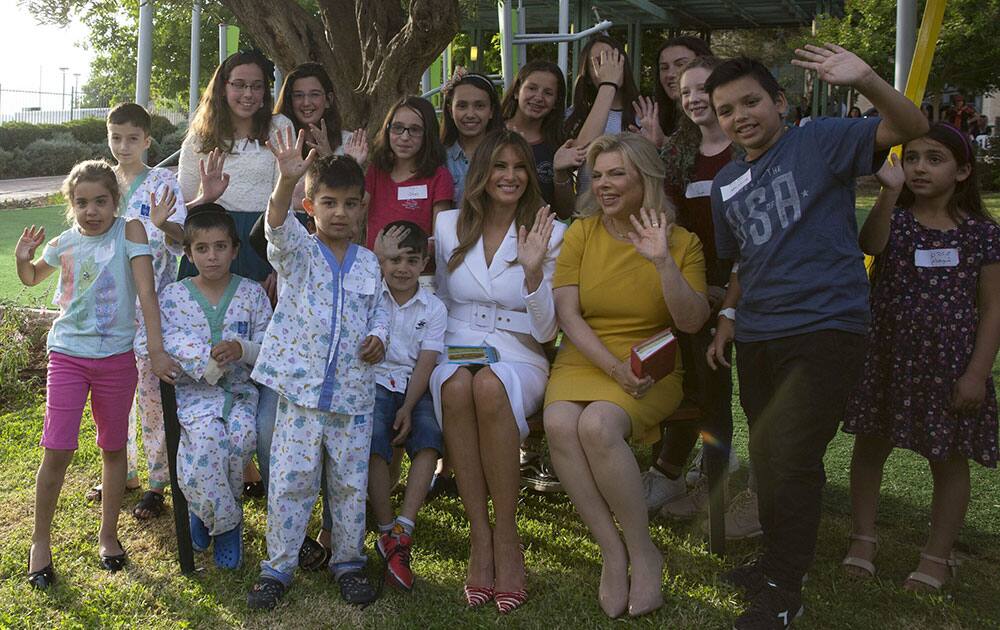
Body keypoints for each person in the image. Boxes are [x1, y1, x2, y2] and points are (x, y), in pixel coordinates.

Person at [704, 47, 929, 628]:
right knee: (767, 453)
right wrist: (728, 317)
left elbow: (912, 126)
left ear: (779, 101)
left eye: (751, 101)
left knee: (791, 454)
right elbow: (741, 265)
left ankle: (784, 590)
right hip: (758, 333)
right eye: (726, 110)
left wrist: (869, 79)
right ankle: (778, 562)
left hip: (827, 327)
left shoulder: (820, 141)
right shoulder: (726, 182)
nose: (740, 116)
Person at [543, 133, 709, 619]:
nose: (604, 184)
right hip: (585, 355)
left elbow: (693, 321)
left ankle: (643, 551)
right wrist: (610, 367)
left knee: (596, 425)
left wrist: (661, 262)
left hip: (649, 362)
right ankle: (612, 552)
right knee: (558, 424)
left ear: (645, 178)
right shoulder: (582, 232)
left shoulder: (681, 242)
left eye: (617, 173)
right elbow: (568, 314)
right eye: (597, 175)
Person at [841, 124, 1000, 591]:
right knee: (870, 445)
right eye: (911, 158)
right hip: (888, 357)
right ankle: (863, 538)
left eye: (935, 159)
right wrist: (888, 197)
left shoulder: (981, 234)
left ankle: (937, 554)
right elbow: (870, 245)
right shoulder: (898, 218)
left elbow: (993, 309)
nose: (920, 167)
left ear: (963, 171)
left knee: (948, 457)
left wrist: (976, 373)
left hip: (950, 365)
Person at [15, 160, 180, 589]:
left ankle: (108, 535)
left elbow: (146, 293)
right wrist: (22, 259)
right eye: (82, 202)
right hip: (68, 355)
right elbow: (32, 277)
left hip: (116, 359)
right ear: (72, 205)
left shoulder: (130, 232)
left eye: (101, 201)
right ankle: (40, 541)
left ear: (115, 201)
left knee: (113, 446)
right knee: (58, 448)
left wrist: (157, 350)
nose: (92, 210)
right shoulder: (65, 242)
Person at [247, 128, 388, 609]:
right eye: (329, 203)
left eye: (350, 204)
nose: (340, 213)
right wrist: (286, 182)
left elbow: (382, 311)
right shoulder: (301, 254)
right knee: (292, 480)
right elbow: (276, 230)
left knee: (349, 484)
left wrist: (380, 338)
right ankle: (279, 566)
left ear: (362, 207)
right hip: (301, 398)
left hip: (353, 400)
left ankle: (348, 561)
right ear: (312, 207)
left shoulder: (370, 265)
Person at [430, 129, 564, 613]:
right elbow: (441, 301)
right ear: (481, 174)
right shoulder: (448, 225)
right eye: (500, 167)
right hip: (457, 345)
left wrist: (532, 274)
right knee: (457, 383)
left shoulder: (551, 230)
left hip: (519, 351)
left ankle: (506, 539)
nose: (510, 177)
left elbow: (548, 332)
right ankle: (479, 537)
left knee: (489, 385)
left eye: (520, 167)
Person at [644, 56, 757, 541]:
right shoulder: (679, 153)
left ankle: (746, 492)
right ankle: (706, 484)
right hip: (693, 289)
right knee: (707, 396)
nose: (691, 98)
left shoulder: (748, 147)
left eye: (701, 88)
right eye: (684, 91)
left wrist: (726, 286)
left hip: (747, 285)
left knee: (749, 395)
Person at [136, 204, 272, 569]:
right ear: (189, 252)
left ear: (235, 249)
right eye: (202, 248)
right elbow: (149, 344)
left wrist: (241, 349)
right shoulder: (174, 297)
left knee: (239, 441)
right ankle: (226, 525)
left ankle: (202, 510)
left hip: (241, 394)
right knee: (208, 441)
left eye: (220, 247)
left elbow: (271, 351)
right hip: (193, 396)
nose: (212, 257)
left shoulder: (252, 295)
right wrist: (193, 356)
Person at [95, 103, 187, 520]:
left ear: (147, 140)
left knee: (151, 396)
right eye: (116, 137)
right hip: (111, 308)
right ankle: (123, 472)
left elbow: (183, 239)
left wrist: (165, 223)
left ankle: (157, 481)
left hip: (153, 307)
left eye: (132, 138)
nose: (123, 145)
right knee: (116, 395)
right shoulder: (103, 183)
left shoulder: (163, 181)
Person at [367, 220, 448, 591]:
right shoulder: (371, 298)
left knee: (429, 441)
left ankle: (404, 528)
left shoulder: (433, 308)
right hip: (377, 382)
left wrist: (409, 406)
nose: (401, 268)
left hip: (416, 385)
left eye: (411, 260)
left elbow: (427, 361)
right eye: (393, 259)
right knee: (373, 444)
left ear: (424, 263)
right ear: (380, 261)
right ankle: (386, 529)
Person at [177, 50, 293, 284]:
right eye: (239, 85)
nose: (248, 94)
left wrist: (280, 263)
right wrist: (205, 198)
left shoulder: (279, 127)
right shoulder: (199, 138)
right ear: (223, 87)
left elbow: (287, 200)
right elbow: (182, 207)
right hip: (213, 243)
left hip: (263, 240)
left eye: (257, 86)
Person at [365, 96, 453, 251]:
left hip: (419, 271)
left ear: (428, 134)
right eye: (398, 128)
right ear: (387, 129)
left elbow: (441, 240)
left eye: (415, 130)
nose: (405, 137)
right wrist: (352, 164)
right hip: (377, 268)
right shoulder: (376, 171)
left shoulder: (439, 177)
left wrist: (400, 253)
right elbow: (353, 215)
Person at [500, 60, 584, 218]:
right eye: (532, 88)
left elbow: (564, 212)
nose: (538, 97)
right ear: (517, 91)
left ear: (556, 102)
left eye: (548, 93)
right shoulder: (492, 132)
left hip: (538, 235)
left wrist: (559, 173)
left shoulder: (558, 143)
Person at [564, 34, 640, 197]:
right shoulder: (574, 115)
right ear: (588, 75)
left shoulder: (643, 112)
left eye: (611, 59)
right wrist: (608, 84)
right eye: (598, 62)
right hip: (588, 214)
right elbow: (580, 151)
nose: (607, 67)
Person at [441, 69, 505, 206]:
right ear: (450, 110)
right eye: (462, 106)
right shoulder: (439, 158)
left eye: (479, 106)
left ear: (491, 111)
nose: (470, 114)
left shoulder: (506, 153)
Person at [648, 35, 713, 145]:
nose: (671, 74)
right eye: (664, 68)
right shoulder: (656, 117)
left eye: (680, 64)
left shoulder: (721, 117)